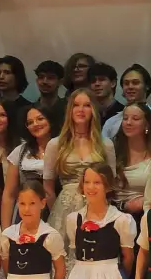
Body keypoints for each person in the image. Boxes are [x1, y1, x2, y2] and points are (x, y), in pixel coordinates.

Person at [44, 90, 116, 255]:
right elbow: (47, 187)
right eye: (76, 105)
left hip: (97, 208)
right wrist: (59, 213)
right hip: (64, 208)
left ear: (94, 111)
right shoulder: (56, 144)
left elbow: (111, 185)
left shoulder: (106, 145)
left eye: (86, 105)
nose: (81, 110)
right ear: (69, 110)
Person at [111, 102, 151, 219]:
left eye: (135, 118)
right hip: (113, 215)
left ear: (147, 125)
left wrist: (145, 201)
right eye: (125, 118)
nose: (128, 122)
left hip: (146, 217)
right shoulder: (112, 152)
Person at [6, 106, 55, 215]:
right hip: (26, 210)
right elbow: (9, 194)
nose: (35, 124)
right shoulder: (20, 151)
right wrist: (5, 230)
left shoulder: (63, 148)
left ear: (50, 120)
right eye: (30, 122)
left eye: (40, 119)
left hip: (57, 207)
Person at [102, 64, 151, 142]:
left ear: (147, 86)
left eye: (135, 83)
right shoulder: (111, 122)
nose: (130, 87)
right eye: (126, 83)